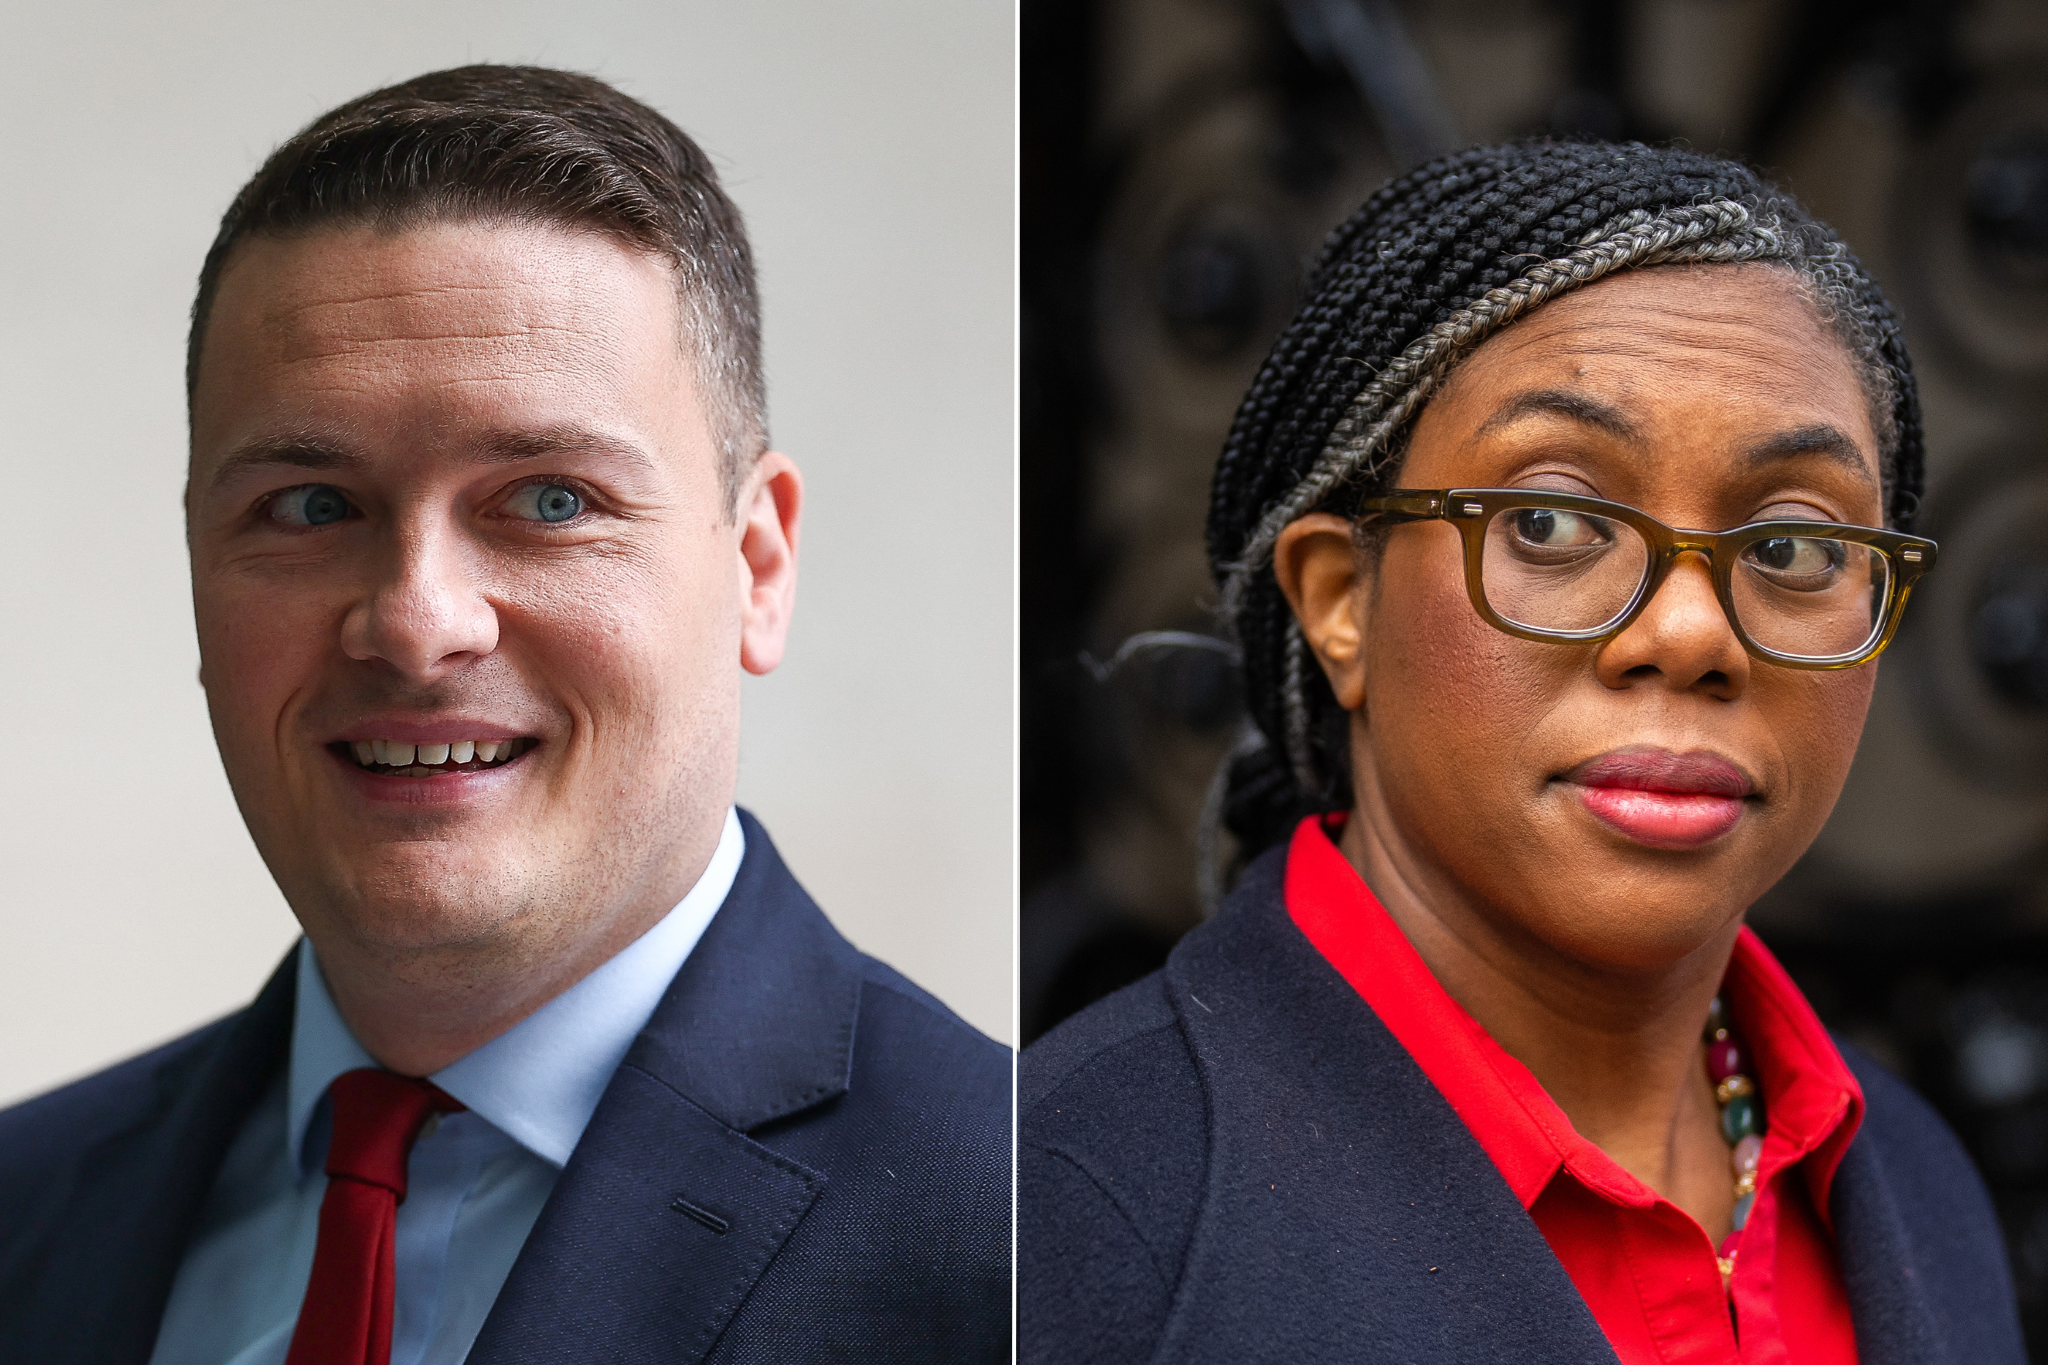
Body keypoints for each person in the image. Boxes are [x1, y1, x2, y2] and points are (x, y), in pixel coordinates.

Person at [0, 66, 1009, 1365]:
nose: (417, 623)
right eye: (313, 506)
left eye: (548, 500)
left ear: (758, 566)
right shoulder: (26, 1215)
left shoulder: (1019, 1257)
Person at [1019, 140, 2025, 1364]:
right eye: (1549, 520)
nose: (1690, 631)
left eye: (1792, 546)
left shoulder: (1911, 1189)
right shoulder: (1066, 1215)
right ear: (1341, 602)